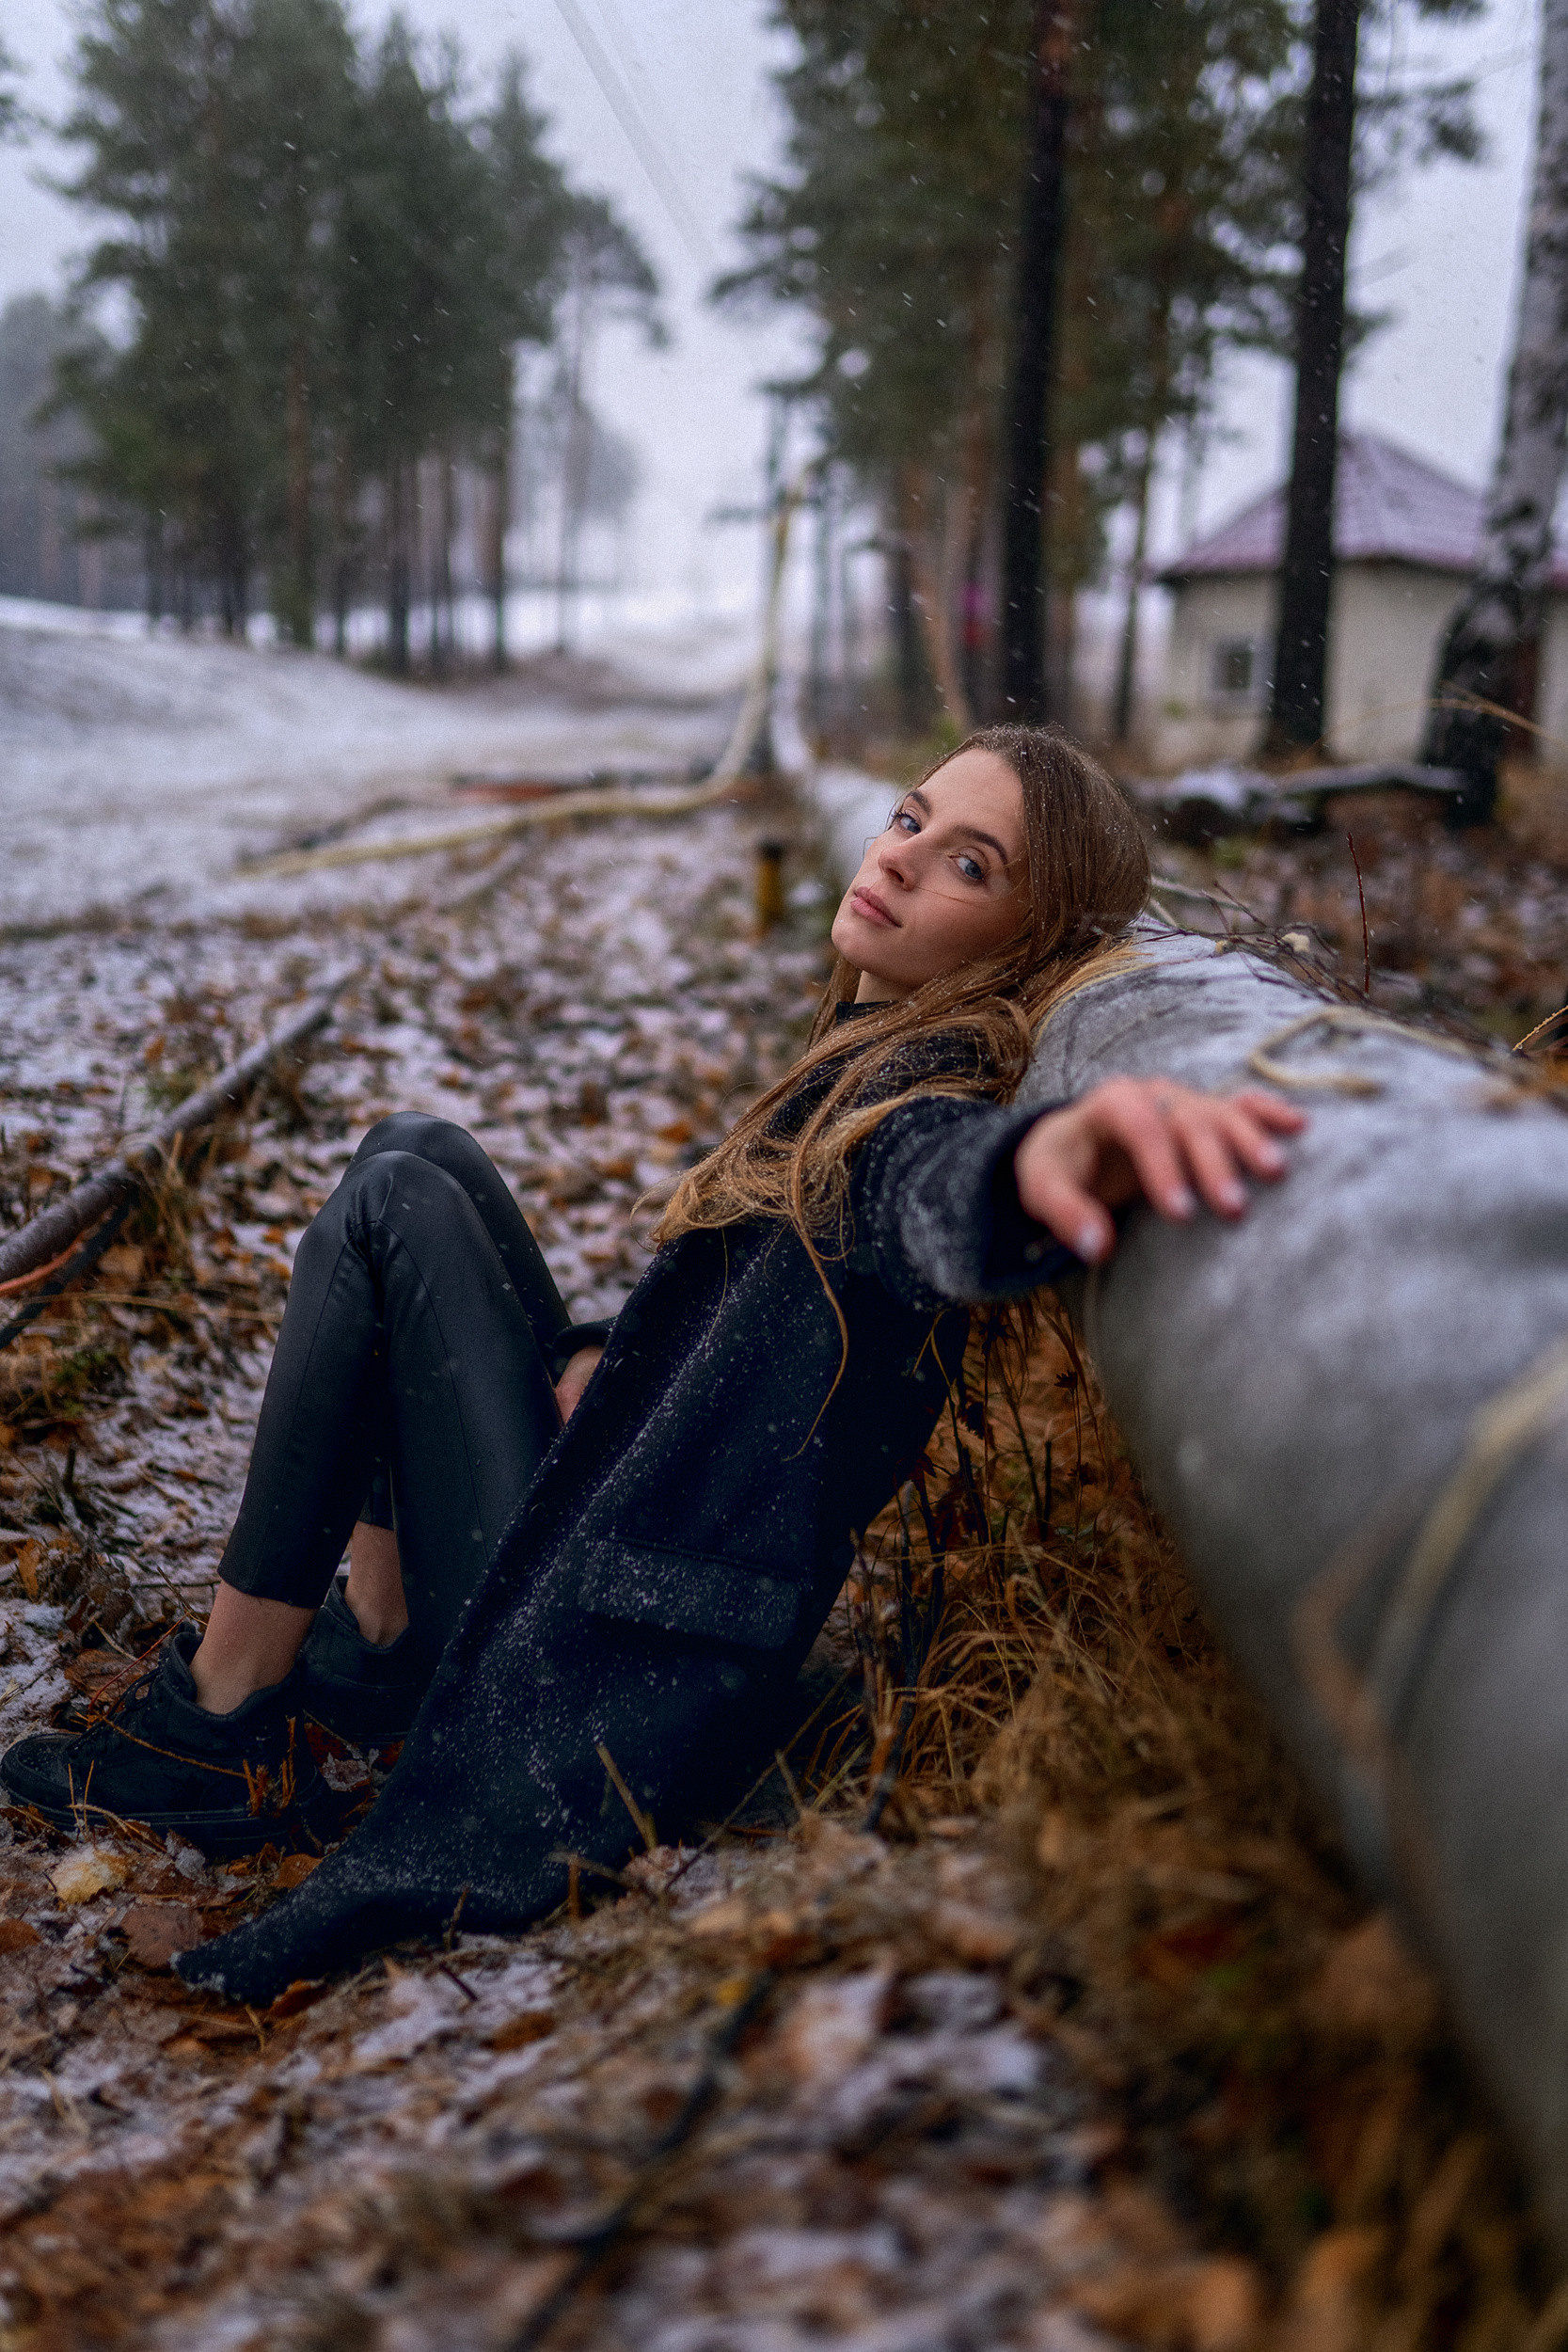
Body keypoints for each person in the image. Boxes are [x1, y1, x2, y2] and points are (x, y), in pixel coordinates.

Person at [0, 725, 1304, 2003]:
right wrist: (596, 1361)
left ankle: (224, 1720)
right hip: (627, 1555)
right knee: (425, 1152)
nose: (901, 860)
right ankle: (388, 1631)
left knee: (397, 1197)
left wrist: (1041, 1165)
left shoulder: (933, 1092)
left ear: (1031, 939)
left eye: (971, 864)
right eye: (911, 818)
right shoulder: (868, 1049)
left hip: (618, 1645)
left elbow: (934, 1190)